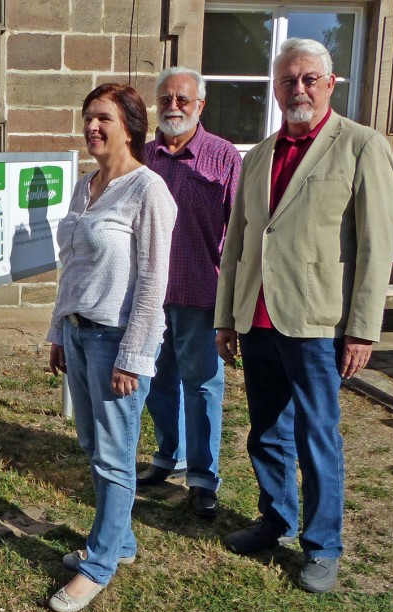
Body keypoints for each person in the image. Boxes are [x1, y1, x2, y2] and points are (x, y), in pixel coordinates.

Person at [214, 38, 393, 593]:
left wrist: (362, 328)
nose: (299, 89)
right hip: (259, 319)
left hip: (318, 323)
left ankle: (322, 547)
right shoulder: (259, 154)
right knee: (266, 432)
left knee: (319, 438)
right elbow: (239, 243)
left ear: (330, 83)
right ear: (275, 88)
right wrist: (227, 317)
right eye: (288, 80)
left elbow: (375, 246)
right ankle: (275, 519)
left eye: (309, 79)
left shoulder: (361, 146)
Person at [46, 83, 177, 612]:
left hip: (116, 340)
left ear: (130, 126)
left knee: (115, 456)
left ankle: (99, 564)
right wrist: (59, 331)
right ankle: (120, 542)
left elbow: (153, 283)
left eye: (103, 118)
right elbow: (72, 267)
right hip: (79, 334)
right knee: (91, 445)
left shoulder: (148, 191)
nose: (92, 127)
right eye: (88, 118)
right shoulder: (87, 186)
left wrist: (133, 354)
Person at [138, 67, 242, 517]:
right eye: (165, 99)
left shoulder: (223, 158)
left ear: (200, 105)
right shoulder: (143, 156)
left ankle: (203, 477)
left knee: (201, 386)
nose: (173, 106)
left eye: (183, 99)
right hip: (151, 297)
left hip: (202, 294)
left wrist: (234, 301)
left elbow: (240, 232)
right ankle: (169, 456)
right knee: (157, 380)